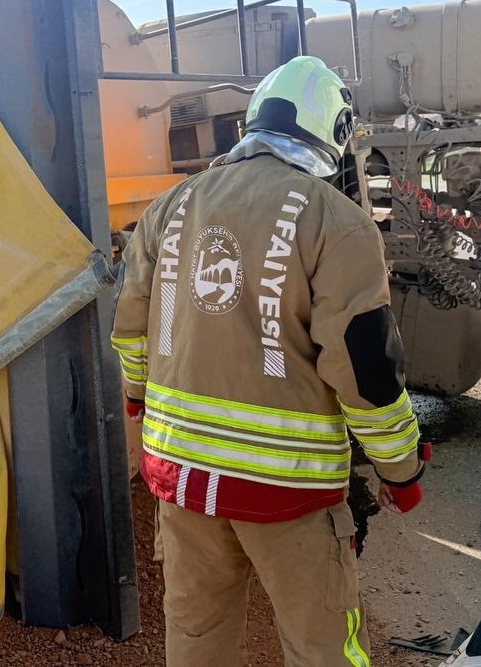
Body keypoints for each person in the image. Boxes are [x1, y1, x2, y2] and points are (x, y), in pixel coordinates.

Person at [112, 55, 427, 667]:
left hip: (183, 482)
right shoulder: (338, 223)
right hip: (288, 492)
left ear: (252, 123)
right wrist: (401, 472)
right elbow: (366, 376)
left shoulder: (168, 209)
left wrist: (137, 395)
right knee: (324, 649)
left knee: (197, 640)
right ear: (335, 133)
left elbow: (131, 332)